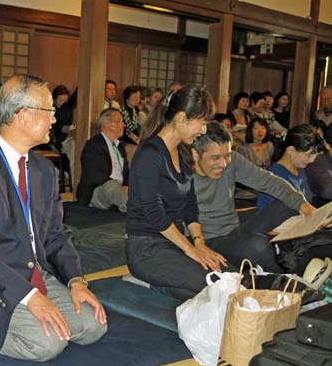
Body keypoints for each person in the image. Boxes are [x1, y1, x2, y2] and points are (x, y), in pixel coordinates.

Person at [0, 75, 108, 361]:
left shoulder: (43, 171)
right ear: (23, 116)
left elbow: (56, 235)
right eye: (50, 111)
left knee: (94, 325)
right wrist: (30, 297)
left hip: (36, 271)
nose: (55, 120)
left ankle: (42, 309)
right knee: (47, 344)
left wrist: (76, 281)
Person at [126, 85, 227, 301]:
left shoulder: (182, 152)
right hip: (147, 249)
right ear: (182, 118)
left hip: (175, 243)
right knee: (215, 284)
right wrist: (190, 250)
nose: (203, 130)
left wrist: (199, 242)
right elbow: (154, 213)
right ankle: (157, 278)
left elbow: (190, 205)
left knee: (226, 276)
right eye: (201, 123)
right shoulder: (150, 154)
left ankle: (160, 284)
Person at [192, 121, 314, 272]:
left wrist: (303, 204)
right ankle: (288, 280)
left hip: (235, 228)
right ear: (195, 154)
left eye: (227, 156)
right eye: (215, 158)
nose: (223, 164)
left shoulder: (232, 161)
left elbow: (267, 180)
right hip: (209, 240)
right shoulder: (183, 177)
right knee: (258, 245)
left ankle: (305, 261)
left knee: (290, 205)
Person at [258, 124, 326, 210]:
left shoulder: (300, 169)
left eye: (315, 156)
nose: (312, 160)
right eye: (308, 155)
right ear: (291, 150)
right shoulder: (277, 176)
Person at [76, 108, 129, 212]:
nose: (123, 125)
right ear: (106, 122)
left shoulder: (119, 147)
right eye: (119, 121)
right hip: (98, 190)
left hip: (118, 189)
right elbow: (94, 174)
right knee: (112, 187)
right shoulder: (93, 145)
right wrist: (119, 186)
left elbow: (126, 172)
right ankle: (134, 211)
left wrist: (127, 186)